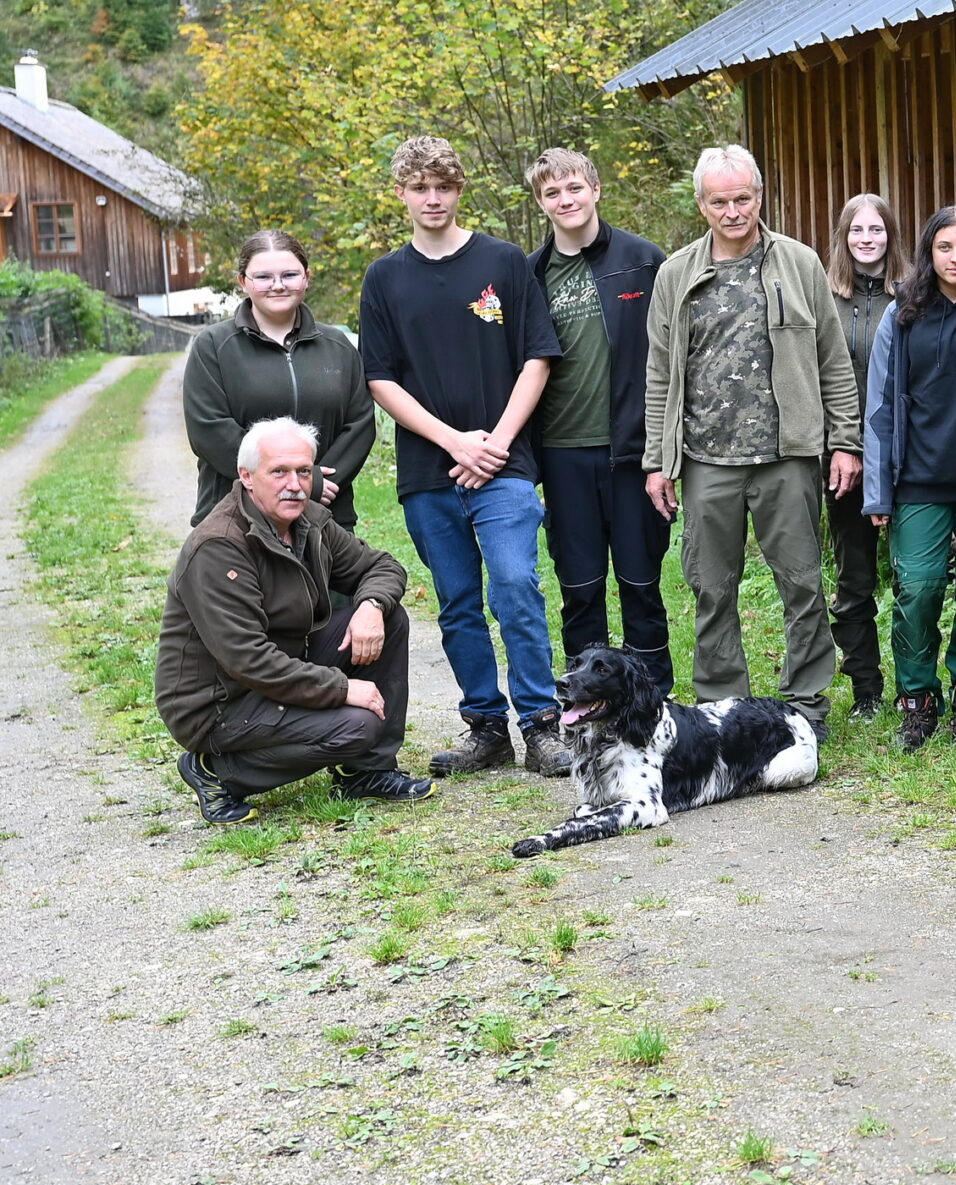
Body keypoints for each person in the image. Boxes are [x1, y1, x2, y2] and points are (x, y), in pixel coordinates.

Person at [361, 135, 565, 779]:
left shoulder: (504, 263)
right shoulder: (385, 278)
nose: (432, 199)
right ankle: (485, 726)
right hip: (429, 472)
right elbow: (380, 378)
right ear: (401, 194)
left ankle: (540, 724)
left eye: (442, 187)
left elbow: (537, 358)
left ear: (458, 191)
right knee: (456, 601)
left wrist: (495, 443)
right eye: (419, 188)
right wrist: (454, 442)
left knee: (516, 586)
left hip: (506, 466)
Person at [643, 145, 862, 742]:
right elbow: (660, 372)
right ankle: (721, 707)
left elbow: (833, 361)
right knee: (711, 587)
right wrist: (657, 462)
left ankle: (806, 704)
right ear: (701, 204)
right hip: (706, 458)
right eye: (720, 201)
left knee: (802, 582)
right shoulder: (675, 274)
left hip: (788, 456)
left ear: (760, 197)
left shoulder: (798, 262)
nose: (733, 211)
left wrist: (845, 441)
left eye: (743, 198)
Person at [157, 418, 430, 825]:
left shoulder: (310, 522)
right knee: (355, 725)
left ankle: (366, 772)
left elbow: (381, 566)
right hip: (220, 702)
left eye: (304, 471)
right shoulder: (219, 546)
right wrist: (340, 689)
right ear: (247, 477)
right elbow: (248, 660)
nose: (295, 484)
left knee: (389, 618)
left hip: (284, 666)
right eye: (279, 472)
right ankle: (215, 770)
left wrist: (372, 605)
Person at [526, 148, 673, 697]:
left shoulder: (644, 260)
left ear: (595, 189)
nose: (565, 200)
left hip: (631, 451)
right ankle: (585, 704)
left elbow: (670, 355)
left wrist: (664, 449)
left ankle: (653, 700)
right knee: (580, 587)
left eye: (574, 188)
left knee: (640, 583)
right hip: (562, 452)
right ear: (542, 203)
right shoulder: (530, 273)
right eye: (552, 193)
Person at [865, 208, 956, 752]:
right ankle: (918, 700)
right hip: (918, 482)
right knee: (919, 591)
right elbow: (879, 406)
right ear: (928, 251)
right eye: (945, 247)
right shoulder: (902, 312)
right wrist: (878, 490)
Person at [183, 231, 372, 530]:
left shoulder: (337, 347)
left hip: (326, 517)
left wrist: (315, 482)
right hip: (237, 518)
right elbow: (209, 430)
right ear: (243, 282)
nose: (278, 285)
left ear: (306, 278)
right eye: (263, 277)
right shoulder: (213, 347)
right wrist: (285, 483)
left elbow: (359, 423)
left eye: (289, 274)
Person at [827, 193, 905, 718]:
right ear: (844, 237)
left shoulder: (914, 294)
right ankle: (866, 690)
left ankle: (916, 687)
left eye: (876, 229)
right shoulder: (825, 298)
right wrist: (843, 444)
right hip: (842, 457)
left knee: (913, 577)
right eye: (857, 230)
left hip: (904, 456)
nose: (867, 238)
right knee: (854, 578)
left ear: (890, 235)